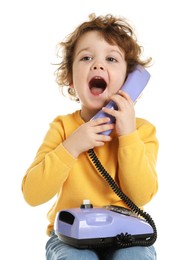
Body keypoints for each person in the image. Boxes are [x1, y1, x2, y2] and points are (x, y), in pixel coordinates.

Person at [21, 13, 159, 260]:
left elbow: (141, 195)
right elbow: (33, 194)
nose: (98, 65)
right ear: (70, 80)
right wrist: (71, 147)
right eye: (86, 58)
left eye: (111, 59)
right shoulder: (63, 129)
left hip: (126, 236)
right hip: (70, 238)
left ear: (130, 80)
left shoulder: (142, 132)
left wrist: (127, 135)